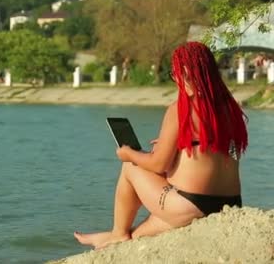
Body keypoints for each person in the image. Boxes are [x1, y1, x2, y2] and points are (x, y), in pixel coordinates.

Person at [74, 42, 249, 249]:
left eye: (176, 73)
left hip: (191, 205)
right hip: (229, 204)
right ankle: (112, 237)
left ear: (187, 73)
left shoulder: (180, 109)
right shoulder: (231, 109)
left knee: (130, 167)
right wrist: (176, 145)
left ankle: (118, 232)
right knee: (138, 235)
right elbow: (207, 150)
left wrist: (129, 154)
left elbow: (159, 165)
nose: (175, 79)